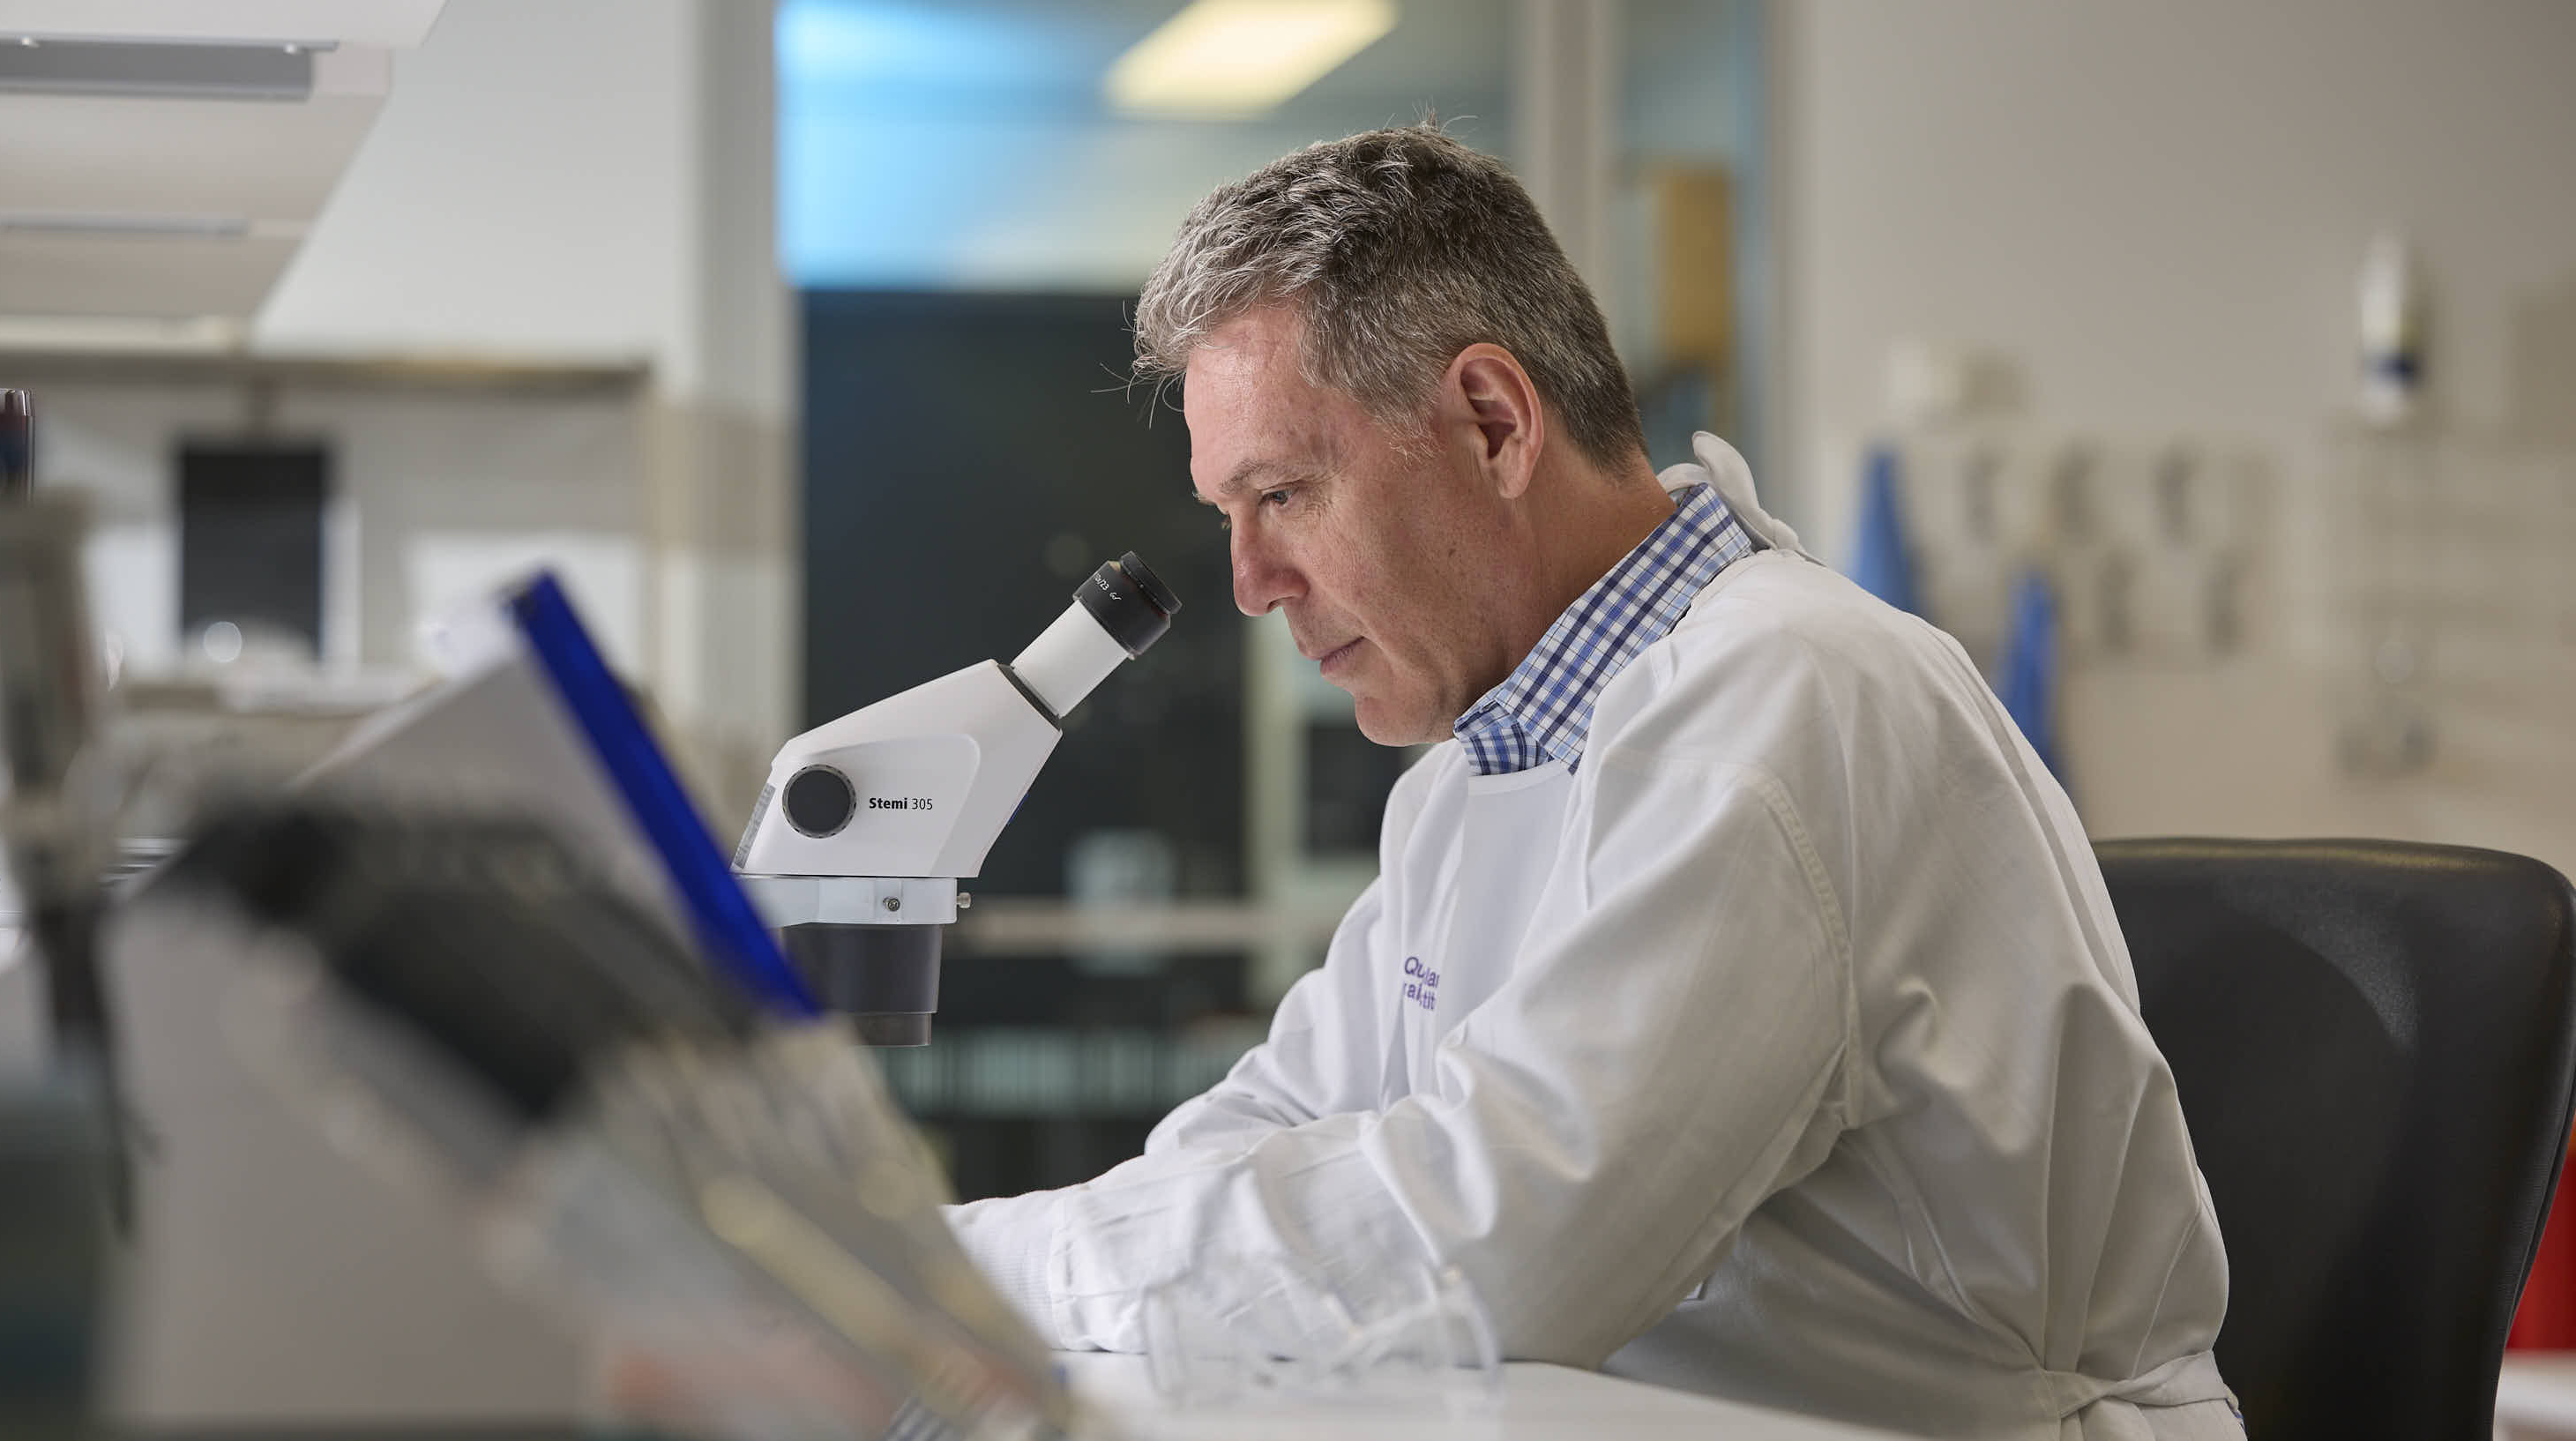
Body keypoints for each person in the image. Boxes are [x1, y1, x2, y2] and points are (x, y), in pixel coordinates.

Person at [945, 124, 2241, 1440]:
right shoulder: (1472, 779)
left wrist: (972, 1268)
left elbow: (1502, 1242)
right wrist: (998, 1277)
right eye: (1230, 513)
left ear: (1495, 423)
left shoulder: (1790, 699)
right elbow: (1273, 1126)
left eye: (1282, 492)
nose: (1250, 583)